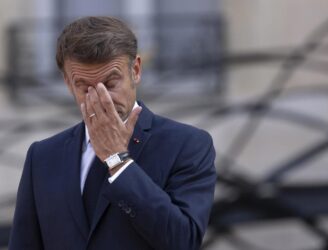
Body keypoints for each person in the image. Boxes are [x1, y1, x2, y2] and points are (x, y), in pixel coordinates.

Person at [9, 16, 216, 250]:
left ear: (135, 70)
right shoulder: (42, 156)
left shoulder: (188, 145)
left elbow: (183, 241)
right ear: (67, 82)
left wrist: (118, 160)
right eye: (85, 87)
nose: (101, 98)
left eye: (110, 83)